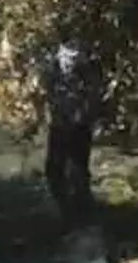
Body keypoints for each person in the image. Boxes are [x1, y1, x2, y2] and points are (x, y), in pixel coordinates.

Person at [37, 31, 101, 229]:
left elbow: (93, 95)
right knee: (60, 170)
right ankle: (70, 211)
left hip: (75, 126)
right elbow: (43, 92)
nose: (71, 58)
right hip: (64, 125)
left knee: (74, 170)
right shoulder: (54, 68)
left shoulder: (84, 68)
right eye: (70, 49)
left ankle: (76, 214)